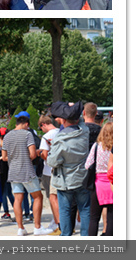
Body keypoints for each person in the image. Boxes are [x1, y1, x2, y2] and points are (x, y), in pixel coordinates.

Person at [2, 111, 52, 236]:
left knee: (17, 199)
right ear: (26, 124)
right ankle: (37, 227)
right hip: (26, 171)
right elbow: (32, 154)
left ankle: (20, 228)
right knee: (37, 197)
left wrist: (15, 157)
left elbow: (4, 157)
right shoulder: (27, 134)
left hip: (13, 171)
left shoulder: (7, 136)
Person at [47, 101, 91, 236]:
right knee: (85, 209)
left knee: (65, 209)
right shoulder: (84, 131)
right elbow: (82, 121)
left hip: (65, 180)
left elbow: (52, 161)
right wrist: (74, 110)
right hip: (82, 178)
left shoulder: (60, 139)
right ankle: (86, 237)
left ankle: (66, 236)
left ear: (63, 120)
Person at [85, 122, 113, 236]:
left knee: (94, 217)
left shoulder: (97, 146)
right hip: (112, 183)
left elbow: (87, 165)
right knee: (112, 217)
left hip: (98, 185)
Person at [37, 115, 61, 235]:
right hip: (62, 169)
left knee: (52, 198)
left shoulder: (47, 136)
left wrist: (40, 153)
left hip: (49, 170)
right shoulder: (61, 132)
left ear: (43, 125)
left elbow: (45, 155)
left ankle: (59, 223)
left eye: (41, 128)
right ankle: (57, 221)